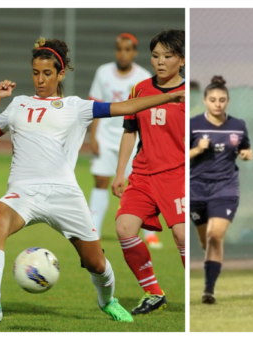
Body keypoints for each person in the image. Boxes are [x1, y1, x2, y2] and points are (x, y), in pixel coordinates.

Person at [0, 37, 184, 323]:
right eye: (35, 73)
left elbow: (125, 108)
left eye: (47, 73)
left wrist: (168, 96)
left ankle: (108, 301)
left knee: (96, 262)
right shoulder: (18, 104)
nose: (40, 79)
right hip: (23, 193)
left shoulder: (76, 107)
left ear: (61, 73)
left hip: (65, 195)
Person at [111, 29, 185, 315]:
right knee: (124, 228)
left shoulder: (190, 95)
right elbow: (130, 132)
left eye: (168, 56)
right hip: (143, 176)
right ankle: (153, 293)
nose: (161, 62)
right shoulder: (139, 89)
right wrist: (121, 172)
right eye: (156, 56)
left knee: (181, 236)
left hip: (177, 176)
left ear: (182, 59)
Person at [88, 32, 162, 249]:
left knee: (140, 184)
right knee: (101, 181)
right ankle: (94, 231)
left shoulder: (143, 76)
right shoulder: (103, 72)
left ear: (134, 53)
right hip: (105, 136)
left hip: (131, 137)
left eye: (128, 49)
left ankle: (149, 233)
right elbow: (95, 105)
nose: (123, 53)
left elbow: (147, 114)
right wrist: (93, 138)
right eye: (119, 49)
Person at [189, 76, 253, 304]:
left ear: (228, 101)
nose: (218, 103)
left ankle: (208, 290)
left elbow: (245, 148)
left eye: (222, 100)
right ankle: (211, 266)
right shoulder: (193, 124)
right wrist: (196, 150)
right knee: (206, 242)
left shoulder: (238, 125)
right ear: (205, 101)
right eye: (213, 99)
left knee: (215, 236)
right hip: (196, 189)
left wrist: (247, 154)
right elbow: (178, 157)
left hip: (226, 188)